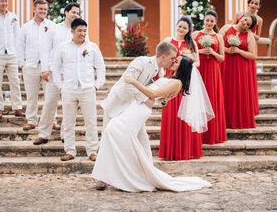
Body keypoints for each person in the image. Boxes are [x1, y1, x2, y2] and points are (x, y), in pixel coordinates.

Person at [92, 55, 213, 192]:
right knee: (118, 135)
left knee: (113, 131)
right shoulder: (172, 79)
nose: (174, 61)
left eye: (177, 61)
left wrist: (133, 81)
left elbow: (153, 94)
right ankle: (121, 174)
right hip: (136, 105)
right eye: (174, 58)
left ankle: (127, 176)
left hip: (141, 109)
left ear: (183, 67)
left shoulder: (177, 83)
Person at [52, 18, 105, 162]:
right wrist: (60, 86)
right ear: (72, 31)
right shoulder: (62, 47)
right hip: (68, 89)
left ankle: (92, 151)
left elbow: (100, 68)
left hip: (87, 88)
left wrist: (96, 85)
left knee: (91, 122)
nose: (82, 33)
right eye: (79, 30)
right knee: (68, 122)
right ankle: (69, 150)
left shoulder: (92, 47)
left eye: (84, 30)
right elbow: (55, 68)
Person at [33, 2, 80, 145]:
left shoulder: (79, 30)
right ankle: (43, 134)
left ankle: (65, 135)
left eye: (77, 13)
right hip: (55, 73)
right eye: (73, 12)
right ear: (66, 12)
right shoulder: (54, 29)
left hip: (70, 75)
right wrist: (45, 69)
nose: (75, 15)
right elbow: (46, 49)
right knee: (49, 103)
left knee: (69, 105)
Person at [159, 16, 204, 161]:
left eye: (184, 28)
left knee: (185, 115)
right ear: (176, 25)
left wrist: (186, 63)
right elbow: (160, 58)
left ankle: (184, 149)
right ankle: (170, 150)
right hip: (169, 79)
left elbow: (197, 62)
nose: (181, 29)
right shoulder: (167, 41)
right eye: (180, 26)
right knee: (170, 113)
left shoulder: (191, 44)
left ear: (188, 30)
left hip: (184, 81)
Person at [17, 0, 60, 131]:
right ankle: (31, 120)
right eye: (41, 9)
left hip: (48, 67)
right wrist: (22, 64)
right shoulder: (25, 27)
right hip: (30, 66)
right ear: (34, 9)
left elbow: (56, 46)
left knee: (51, 95)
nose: (43, 12)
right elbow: (19, 46)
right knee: (31, 96)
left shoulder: (52, 26)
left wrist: (53, 65)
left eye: (45, 9)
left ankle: (52, 120)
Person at [193, 10, 227, 144]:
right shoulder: (196, 34)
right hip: (199, 68)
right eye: (207, 20)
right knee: (198, 97)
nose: (209, 23)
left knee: (212, 98)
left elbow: (222, 58)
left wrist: (213, 52)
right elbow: (189, 50)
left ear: (215, 22)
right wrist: (201, 51)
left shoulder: (218, 37)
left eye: (212, 21)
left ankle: (212, 134)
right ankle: (198, 134)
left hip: (213, 70)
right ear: (204, 20)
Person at [219, 15, 257, 129]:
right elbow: (217, 44)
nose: (244, 23)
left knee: (237, 92)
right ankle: (222, 119)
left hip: (240, 68)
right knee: (224, 89)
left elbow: (252, 55)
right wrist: (227, 50)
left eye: (248, 24)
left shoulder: (249, 36)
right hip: (224, 64)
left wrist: (239, 51)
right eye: (245, 20)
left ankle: (237, 120)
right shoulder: (226, 28)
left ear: (248, 28)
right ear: (242, 17)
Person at [232, 0, 263, 116]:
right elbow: (232, 28)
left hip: (247, 48)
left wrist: (249, 32)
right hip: (233, 46)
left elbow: (258, 37)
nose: (254, 5)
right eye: (252, 3)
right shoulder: (239, 15)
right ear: (248, 4)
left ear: (259, 6)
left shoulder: (259, 20)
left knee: (246, 82)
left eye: (256, 4)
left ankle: (248, 108)